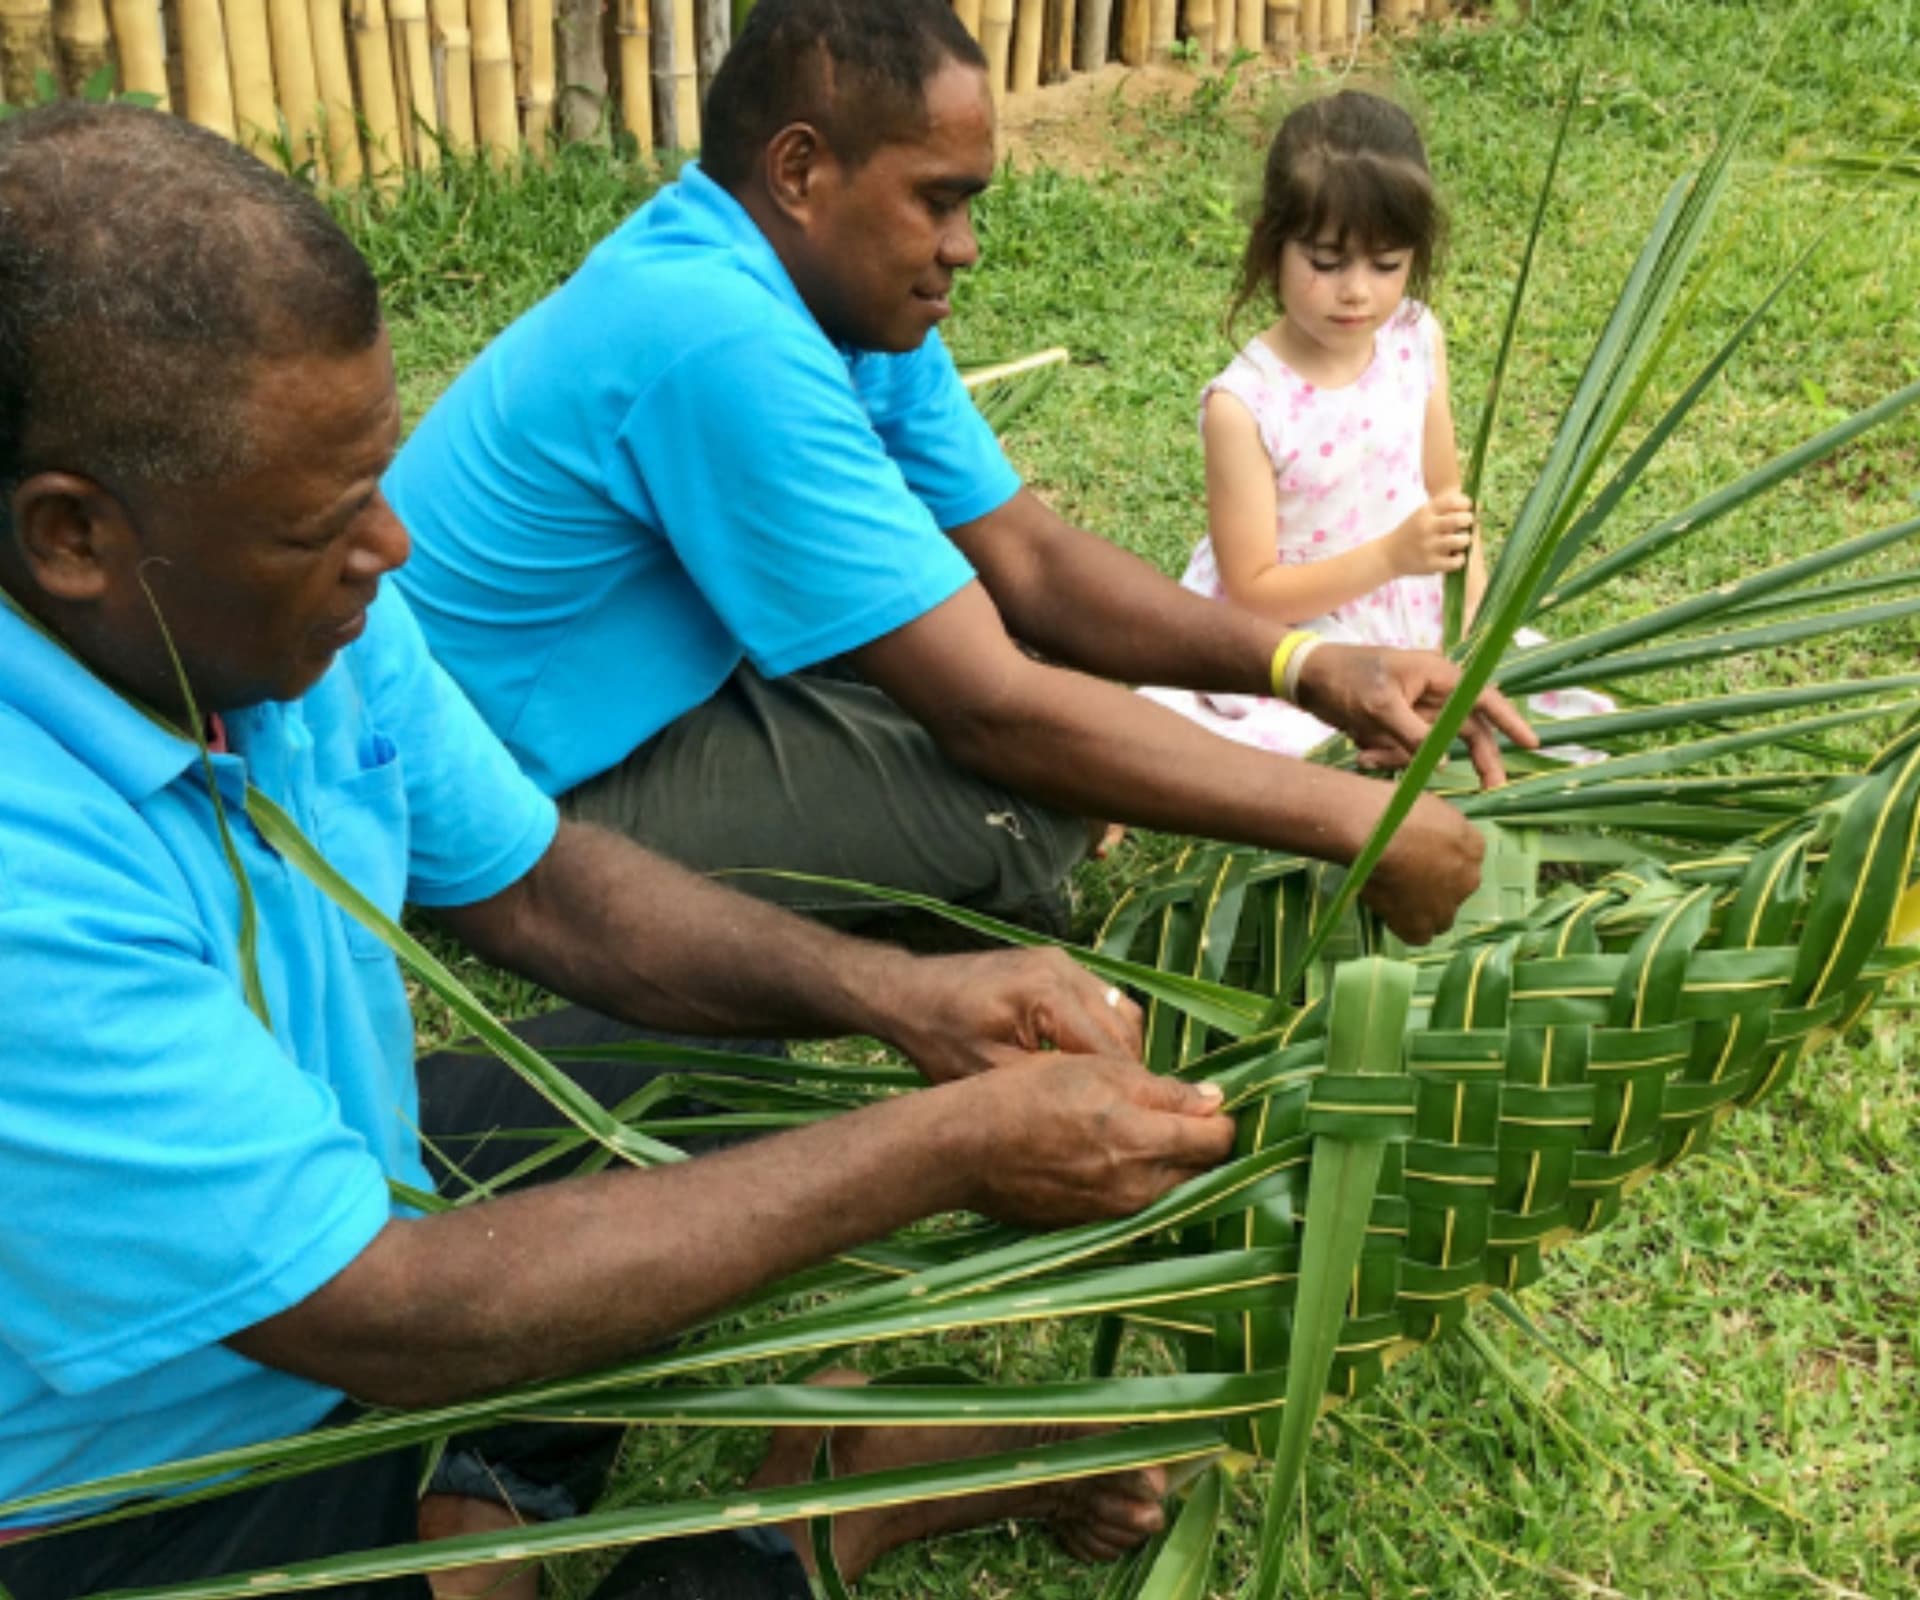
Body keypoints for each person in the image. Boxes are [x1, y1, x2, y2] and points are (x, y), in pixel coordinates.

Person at [0, 102, 1238, 1600]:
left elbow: (535, 881)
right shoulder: (24, 882)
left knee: (681, 1069)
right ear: (72, 536)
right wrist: (951, 1145)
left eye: (377, 482)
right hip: (121, 1488)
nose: (391, 549)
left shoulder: (280, 626)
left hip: (330, 1192)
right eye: (319, 523)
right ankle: (813, 1521)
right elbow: (381, 1313)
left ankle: (483, 1493)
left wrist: (899, 997)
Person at [384, 0, 1538, 952]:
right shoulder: (722, 340)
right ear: (800, 170)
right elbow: (988, 710)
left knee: (1068, 696)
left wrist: (1311, 663)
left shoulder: (822, 289)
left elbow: (1028, 559)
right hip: (509, 786)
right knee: (1034, 796)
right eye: (938, 200)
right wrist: (1355, 819)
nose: (966, 246)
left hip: (637, 696)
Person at [1142, 90, 1610, 755]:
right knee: (1308, 753)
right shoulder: (1244, 406)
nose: (1358, 290)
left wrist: (1471, 615)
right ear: (1272, 247)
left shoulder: (1416, 338)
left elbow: (1446, 500)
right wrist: (1390, 556)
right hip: (1301, 638)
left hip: (1414, 612)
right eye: (1327, 263)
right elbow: (1251, 594)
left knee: (1559, 710)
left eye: (1387, 265)